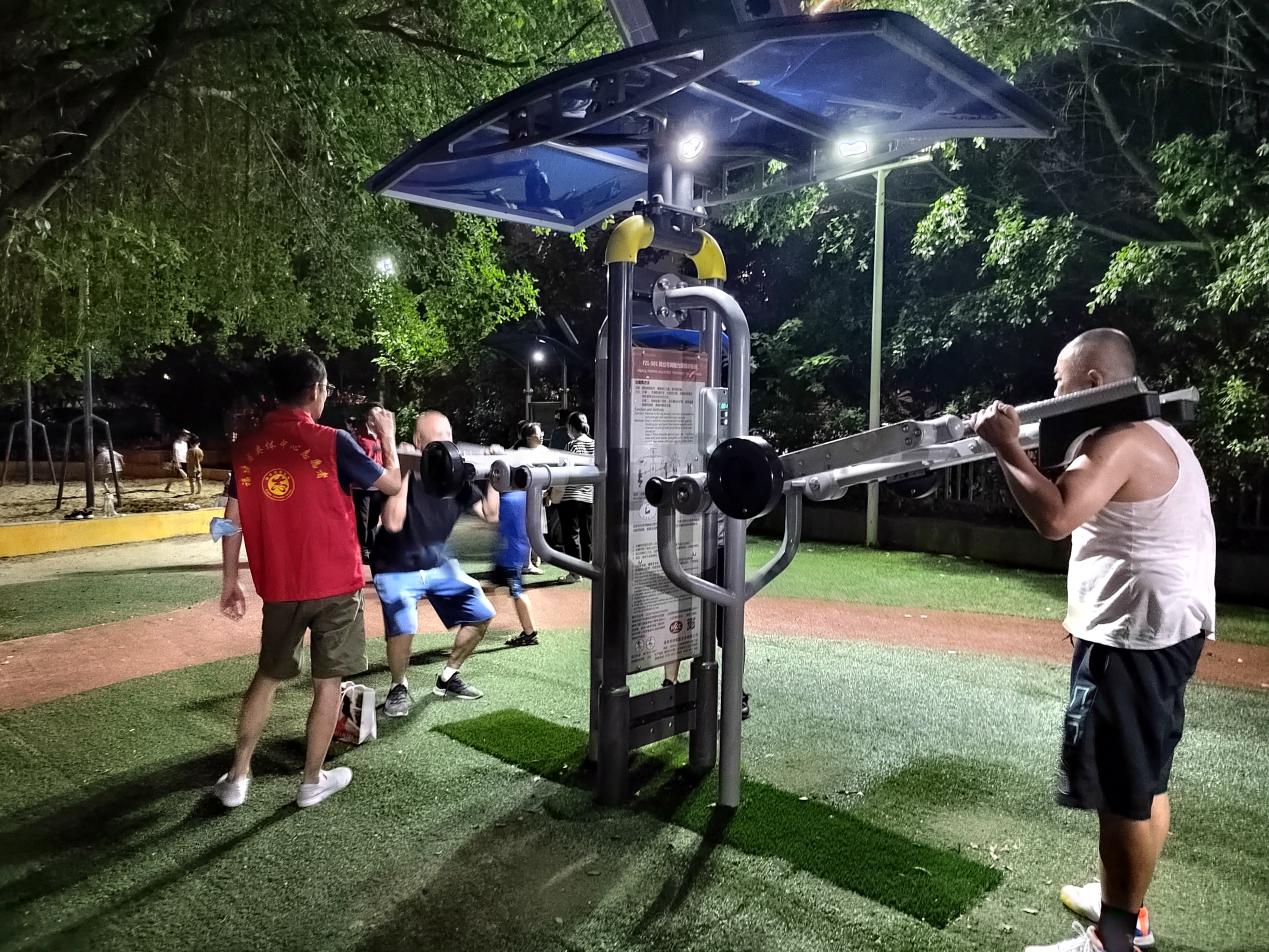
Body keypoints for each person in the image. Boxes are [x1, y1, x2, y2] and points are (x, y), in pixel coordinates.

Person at [970, 329, 1215, 952]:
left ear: (1094, 381)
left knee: (1121, 794)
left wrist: (1005, 448)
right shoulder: (1158, 435)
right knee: (1145, 782)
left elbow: (1055, 517)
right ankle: (1124, 907)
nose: (1053, 393)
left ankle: (1114, 938)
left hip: (1134, 638)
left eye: (1060, 382)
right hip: (1162, 630)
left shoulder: (1120, 441)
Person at [212, 350, 401, 809]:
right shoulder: (332, 441)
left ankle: (238, 776)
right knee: (327, 683)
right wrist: (388, 437)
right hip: (336, 582)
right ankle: (311, 780)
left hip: (280, 586)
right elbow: (392, 484)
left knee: (267, 677)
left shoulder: (246, 446)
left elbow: (231, 520)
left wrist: (230, 580)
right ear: (316, 390)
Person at [371, 411, 499, 717]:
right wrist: (404, 467)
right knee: (404, 624)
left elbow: (491, 514)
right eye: (437, 437)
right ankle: (398, 686)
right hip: (395, 566)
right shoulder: (398, 473)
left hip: (436, 564)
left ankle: (449, 676)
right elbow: (392, 522)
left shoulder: (455, 479)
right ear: (419, 441)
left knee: (482, 613)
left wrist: (497, 475)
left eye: (448, 436)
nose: (445, 443)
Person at [494, 485, 543, 648]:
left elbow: (491, 516)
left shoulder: (508, 498)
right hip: (513, 550)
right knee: (496, 588)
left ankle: (530, 633)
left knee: (517, 591)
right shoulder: (523, 495)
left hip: (509, 553)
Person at [557, 411, 594, 582]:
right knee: (587, 534)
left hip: (571, 496)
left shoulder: (572, 445)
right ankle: (587, 567)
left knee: (571, 534)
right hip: (589, 496)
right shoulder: (595, 444)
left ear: (571, 427)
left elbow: (565, 471)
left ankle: (574, 572)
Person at [352, 405, 385, 563]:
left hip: (379, 485)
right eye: (374, 415)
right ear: (369, 417)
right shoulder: (358, 436)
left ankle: (371, 548)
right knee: (362, 520)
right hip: (361, 485)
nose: (377, 418)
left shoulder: (383, 436)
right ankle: (362, 549)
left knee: (373, 519)